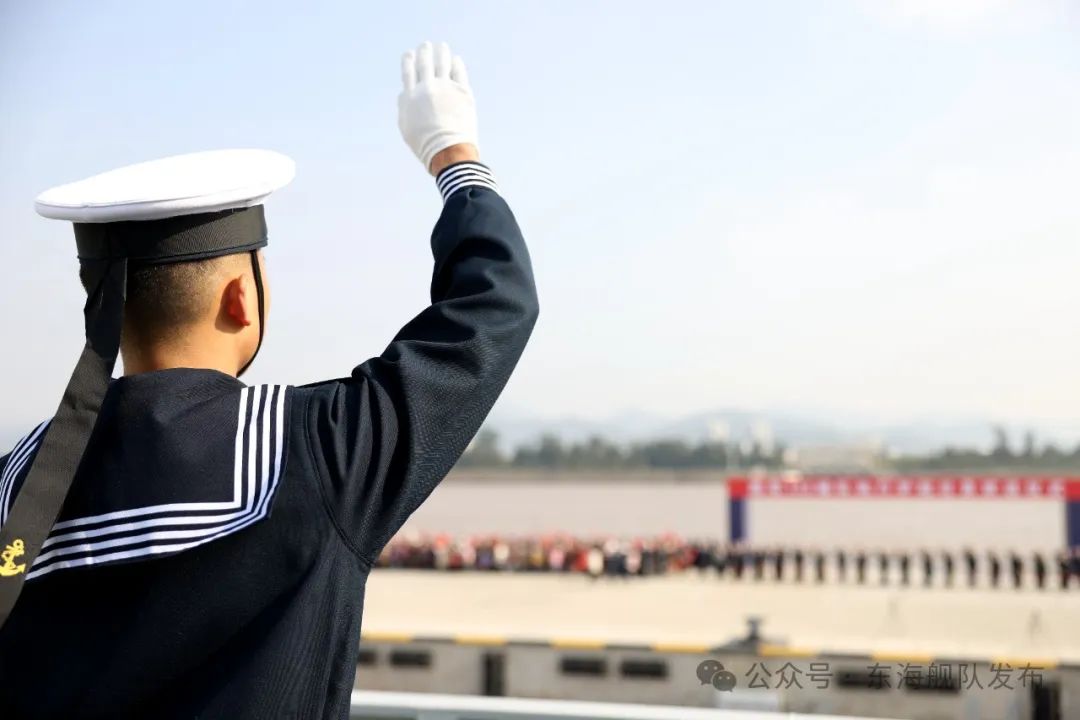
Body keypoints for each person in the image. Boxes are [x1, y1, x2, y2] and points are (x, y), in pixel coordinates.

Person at [0, 42, 538, 720]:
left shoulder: (18, 486)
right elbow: (493, 309)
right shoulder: (316, 451)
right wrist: (453, 155)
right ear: (241, 299)